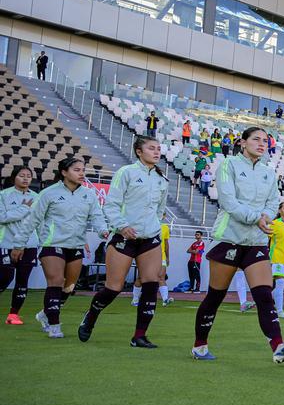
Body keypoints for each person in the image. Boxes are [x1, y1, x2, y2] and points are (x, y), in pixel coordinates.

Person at [190, 127, 284, 363]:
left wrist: (266, 217)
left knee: (264, 295)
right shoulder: (228, 165)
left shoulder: (268, 173)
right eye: (256, 139)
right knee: (215, 297)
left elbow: (274, 202)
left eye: (265, 141)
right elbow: (228, 202)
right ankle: (200, 345)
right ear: (243, 142)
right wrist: (257, 218)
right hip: (229, 238)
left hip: (257, 241)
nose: (262, 144)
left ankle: (278, 346)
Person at [78, 137, 168, 348]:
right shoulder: (126, 172)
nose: (156, 152)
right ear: (138, 151)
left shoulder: (161, 179)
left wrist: (152, 225)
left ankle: (139, 336)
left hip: (150, 238)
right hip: (123, 238)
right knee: (114, 287)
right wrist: (122, 225)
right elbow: (111, 205)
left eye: (158, 149)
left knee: (150, 284)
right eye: (151, 148)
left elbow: (160, 211)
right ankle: (90, 316)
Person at [12, 157, 109, 338]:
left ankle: (44, 314)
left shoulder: (89, 194)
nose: (82, 173)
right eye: (77, 170)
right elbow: (32, 219)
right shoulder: (48, 193)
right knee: (56, 281)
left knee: (69, 287)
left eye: (83, 170)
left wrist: (103, 230)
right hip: (52, 244)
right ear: (64, 172)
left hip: (76, 245)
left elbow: (97, 216)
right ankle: (54, 325)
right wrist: (19, 244)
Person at [1, 166, 39, 325]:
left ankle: (13, 315)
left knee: (23, 281)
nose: (25, 178)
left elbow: (40, 221)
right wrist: (24, 208)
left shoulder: (37, 197)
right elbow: (2, 217)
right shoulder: (4, 195)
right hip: (7, 244)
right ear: (14, 177)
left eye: (28, 176)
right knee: (4, 278)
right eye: (21, 175)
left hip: (29, 245)